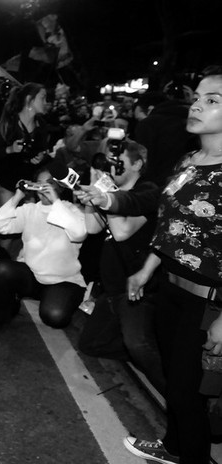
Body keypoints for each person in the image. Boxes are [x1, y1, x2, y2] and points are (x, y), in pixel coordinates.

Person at [123, 66, 222, 464]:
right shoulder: (189, 158)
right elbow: (170, 225)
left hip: (207, 304)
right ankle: (173, 445)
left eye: (212, 101)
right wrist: (147, 269)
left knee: (187, 392)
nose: (197, 105)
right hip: (169, 289)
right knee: (173, 381)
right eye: (197, 97)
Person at [75, 141, 166, 393]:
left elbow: (123, 232)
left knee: (139, 346)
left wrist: (108, 199)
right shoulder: (110, 191)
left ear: (137, 164)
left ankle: (180, 397)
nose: (112, 167)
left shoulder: (146, 193)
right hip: (112, 290)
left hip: (136, 290)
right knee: (90, 344)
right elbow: (92, 228)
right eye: (109, 161)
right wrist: (91, 197)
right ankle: (142, 346)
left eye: (119, 162)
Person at [0, 165, 87, 330]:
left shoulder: (73, 211)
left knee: (55, 316)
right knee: (2, 269)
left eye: (49, 183)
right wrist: (17, 196)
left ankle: (64, 300)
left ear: (60, 187)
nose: (43, 188)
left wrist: (56, 202)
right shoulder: (30, 209)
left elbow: (79, 233)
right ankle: (9, 308)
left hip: (62, 280)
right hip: (31, 276)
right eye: (39, 183)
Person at [0, 82, 52, 208]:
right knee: (7, 223)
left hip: (27, 185)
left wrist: (40, 157)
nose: (46, 102)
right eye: (42, 98)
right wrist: (9, 150)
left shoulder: (41, 125)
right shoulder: (8, 125)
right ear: (29, 99)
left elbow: (43, 152)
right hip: (5, 183)